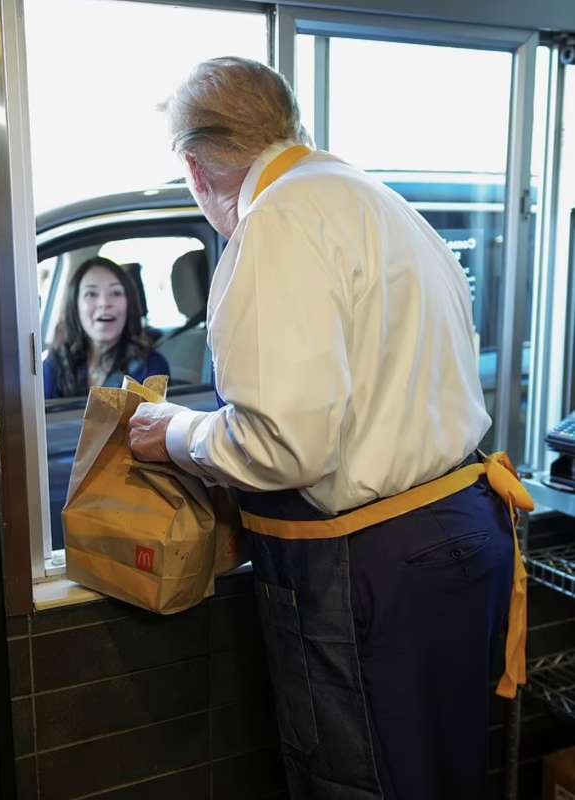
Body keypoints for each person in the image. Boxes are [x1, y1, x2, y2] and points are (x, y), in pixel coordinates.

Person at [128, 57, 531, 800]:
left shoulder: (274, 226)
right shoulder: (376, 200)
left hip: (375, 565)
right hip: (465, 532)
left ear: (194, 167)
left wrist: (176, 432)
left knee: (360, 783)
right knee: (443, 777)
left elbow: (284, 446)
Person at [43, 256, 169, 398]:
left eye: (116, 293)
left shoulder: (150, 367)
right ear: (75, 305)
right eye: (91, 293)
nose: (104, 303)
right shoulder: (56, 362)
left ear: (129, 303)